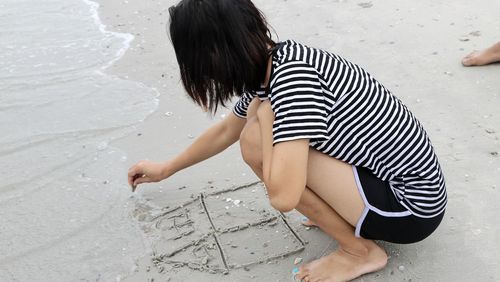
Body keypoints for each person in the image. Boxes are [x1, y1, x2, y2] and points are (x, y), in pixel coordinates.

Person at [127, 0, 447, 281]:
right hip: (386, 185)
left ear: (216, 52)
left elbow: (283, 197)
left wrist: (265, 120)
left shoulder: (294, 82)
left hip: (410, 209)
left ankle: (359, 252)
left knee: (255, 138)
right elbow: (227, 130)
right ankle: (345, 218)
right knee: (254, 126)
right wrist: (166, 168)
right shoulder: (271, 63)